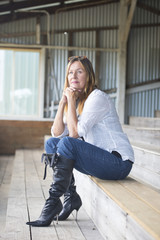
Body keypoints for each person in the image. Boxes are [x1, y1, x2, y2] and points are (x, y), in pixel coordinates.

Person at [26, 56, 134, 227]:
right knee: (52, 144)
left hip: (118, 163)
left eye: (79, 71)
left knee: (67, 143)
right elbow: (57, 132)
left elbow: (74, 134)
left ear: (88, 75)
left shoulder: (97, 98)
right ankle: (71, 197)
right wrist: (63, 103)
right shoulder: (79, 101)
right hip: (100, 161)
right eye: (70, 72)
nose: (73, 76)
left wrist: (71, 100)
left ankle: (53, 202)